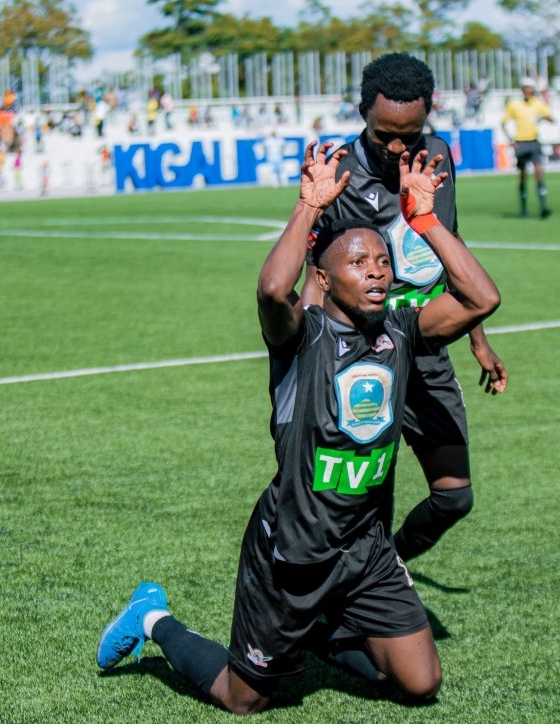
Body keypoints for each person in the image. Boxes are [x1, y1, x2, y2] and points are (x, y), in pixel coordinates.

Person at [96, 142, 501, 714]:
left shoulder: (404, 331)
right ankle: (152, 618)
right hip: (293, 550)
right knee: (244, 699)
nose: (377, 272)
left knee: (420, 685)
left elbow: (482, 297)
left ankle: (321, 628)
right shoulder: (299, 338)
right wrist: (308, 207)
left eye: (382, 262)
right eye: (358, 264)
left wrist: (426, 219)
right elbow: (270, 290)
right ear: (324, 279)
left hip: (366, 547)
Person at [301, 53, 508, 589]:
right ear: (362, 111)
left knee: (454, 495)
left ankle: (382, 568)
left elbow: (450, 244)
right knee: (366, 495)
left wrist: (478, 340)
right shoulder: (339, 169)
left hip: (429, 340)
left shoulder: (436, 155)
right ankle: (355, 592)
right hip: (362, 357)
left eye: (409, 135)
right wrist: (305, 350)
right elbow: (315, 271)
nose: (398, 148)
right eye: (385, 134)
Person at [501, 77, 554, 218]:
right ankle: (523, 209)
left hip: (534, 142)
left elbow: (550, 117)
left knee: (538, 172)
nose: (528, 90)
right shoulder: (515, 104)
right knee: (523, 175)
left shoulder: (538, 103)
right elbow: (503, 123)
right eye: (525, 88)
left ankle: (543, 207)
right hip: (521, 142)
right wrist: (511, 140)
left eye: (530, 88)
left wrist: (543, 118)